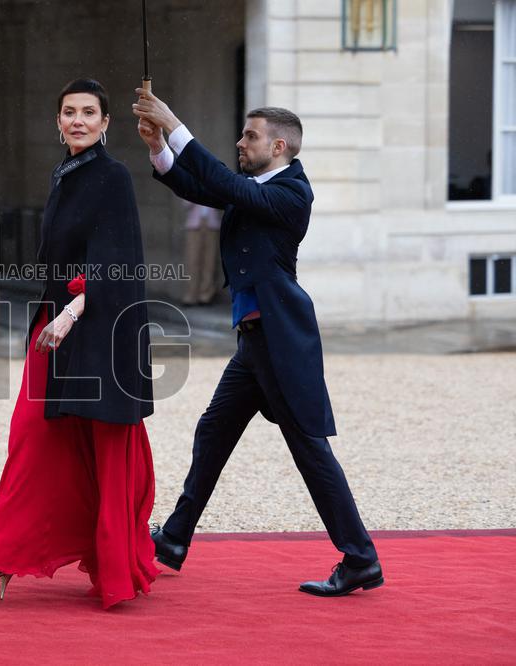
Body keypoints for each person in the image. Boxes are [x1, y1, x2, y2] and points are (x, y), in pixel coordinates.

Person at [133, 90, 383, 596]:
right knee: (214, 431)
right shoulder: (253, 185)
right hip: (253, 343)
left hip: (278, 340)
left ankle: (360, 558)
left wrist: (176, 122)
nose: (241, 142)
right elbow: (200, 185)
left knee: (309, 452)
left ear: (281, 145)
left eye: (251, 136)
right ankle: (175, 539)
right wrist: (160, 146)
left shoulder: (291, 192)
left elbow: (223, 182)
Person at [0, 79, 157, 609]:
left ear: (106, 122)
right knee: (29, 435)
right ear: (58, 120)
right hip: (54, 326)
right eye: (68, 112)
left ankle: (117, 567)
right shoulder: (65, 174)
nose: (78, 121)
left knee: (108, 451)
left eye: (89, 113)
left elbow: (117, 261)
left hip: (97, 330)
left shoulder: (112, 176)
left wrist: (71, 312)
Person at [181, 203, 221, 306]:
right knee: (192, 260)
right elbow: (185, 204)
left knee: (209, 261)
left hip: (211, 224)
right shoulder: (192, 186)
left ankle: (206, 295)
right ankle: (191, 294)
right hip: (194, 224)